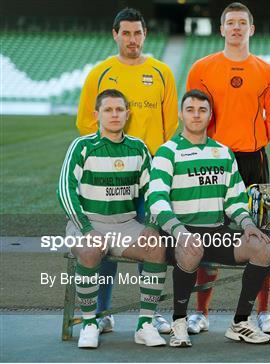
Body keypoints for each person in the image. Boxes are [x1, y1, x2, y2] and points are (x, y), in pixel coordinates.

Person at [75, 7, 179, 334]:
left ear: (145, 35)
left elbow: (171, 127)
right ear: (115, 34)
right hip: (110, 180)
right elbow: (85, 123)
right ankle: (102, 312)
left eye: (137, 33)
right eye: (126, 33)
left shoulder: (162, 72)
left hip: (150, 180)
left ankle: (152, 313)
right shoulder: (100, 73)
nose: (132, 39)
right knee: (104, 244)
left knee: (154, 242)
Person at [147, 89, 270, 347]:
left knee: (262, 248)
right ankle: (179, 322)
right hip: (178, 232)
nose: (196, 115)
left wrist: (248, 224)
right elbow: (156, 200)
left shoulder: (223, 153)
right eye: (191, 110)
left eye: (202, 110)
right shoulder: (167, 152)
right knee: (192, 249)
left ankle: (240, 322)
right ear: (181, 114)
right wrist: (179, 231)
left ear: (210, 115)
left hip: (216, 232)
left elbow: (236, 200)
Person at [185, 2, 270, 334]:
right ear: (222, 28)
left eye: (243, 22)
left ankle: (263, 312)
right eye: (231, 23)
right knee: (207, 232)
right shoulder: (202, 67)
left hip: (253, 161)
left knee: (259, 233)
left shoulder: (267, 71)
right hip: (213, 160)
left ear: (251, 29)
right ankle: (201, 313)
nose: (237, 27)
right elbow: (195, 114)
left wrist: (251, 142)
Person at [57, 89, 168, 348]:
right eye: (108, 110)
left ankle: (145, 325)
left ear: (127, 114)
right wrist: (85, 228)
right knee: (90, 249)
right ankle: (89, 322)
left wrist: (152, 225)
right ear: (97, 115)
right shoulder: (82, 146)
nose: (114, 115)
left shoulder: (138, 148)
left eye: (119, 110)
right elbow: (64, 189)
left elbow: (154, 191)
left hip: (125, 224)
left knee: (156, 247)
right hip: (88, 221)